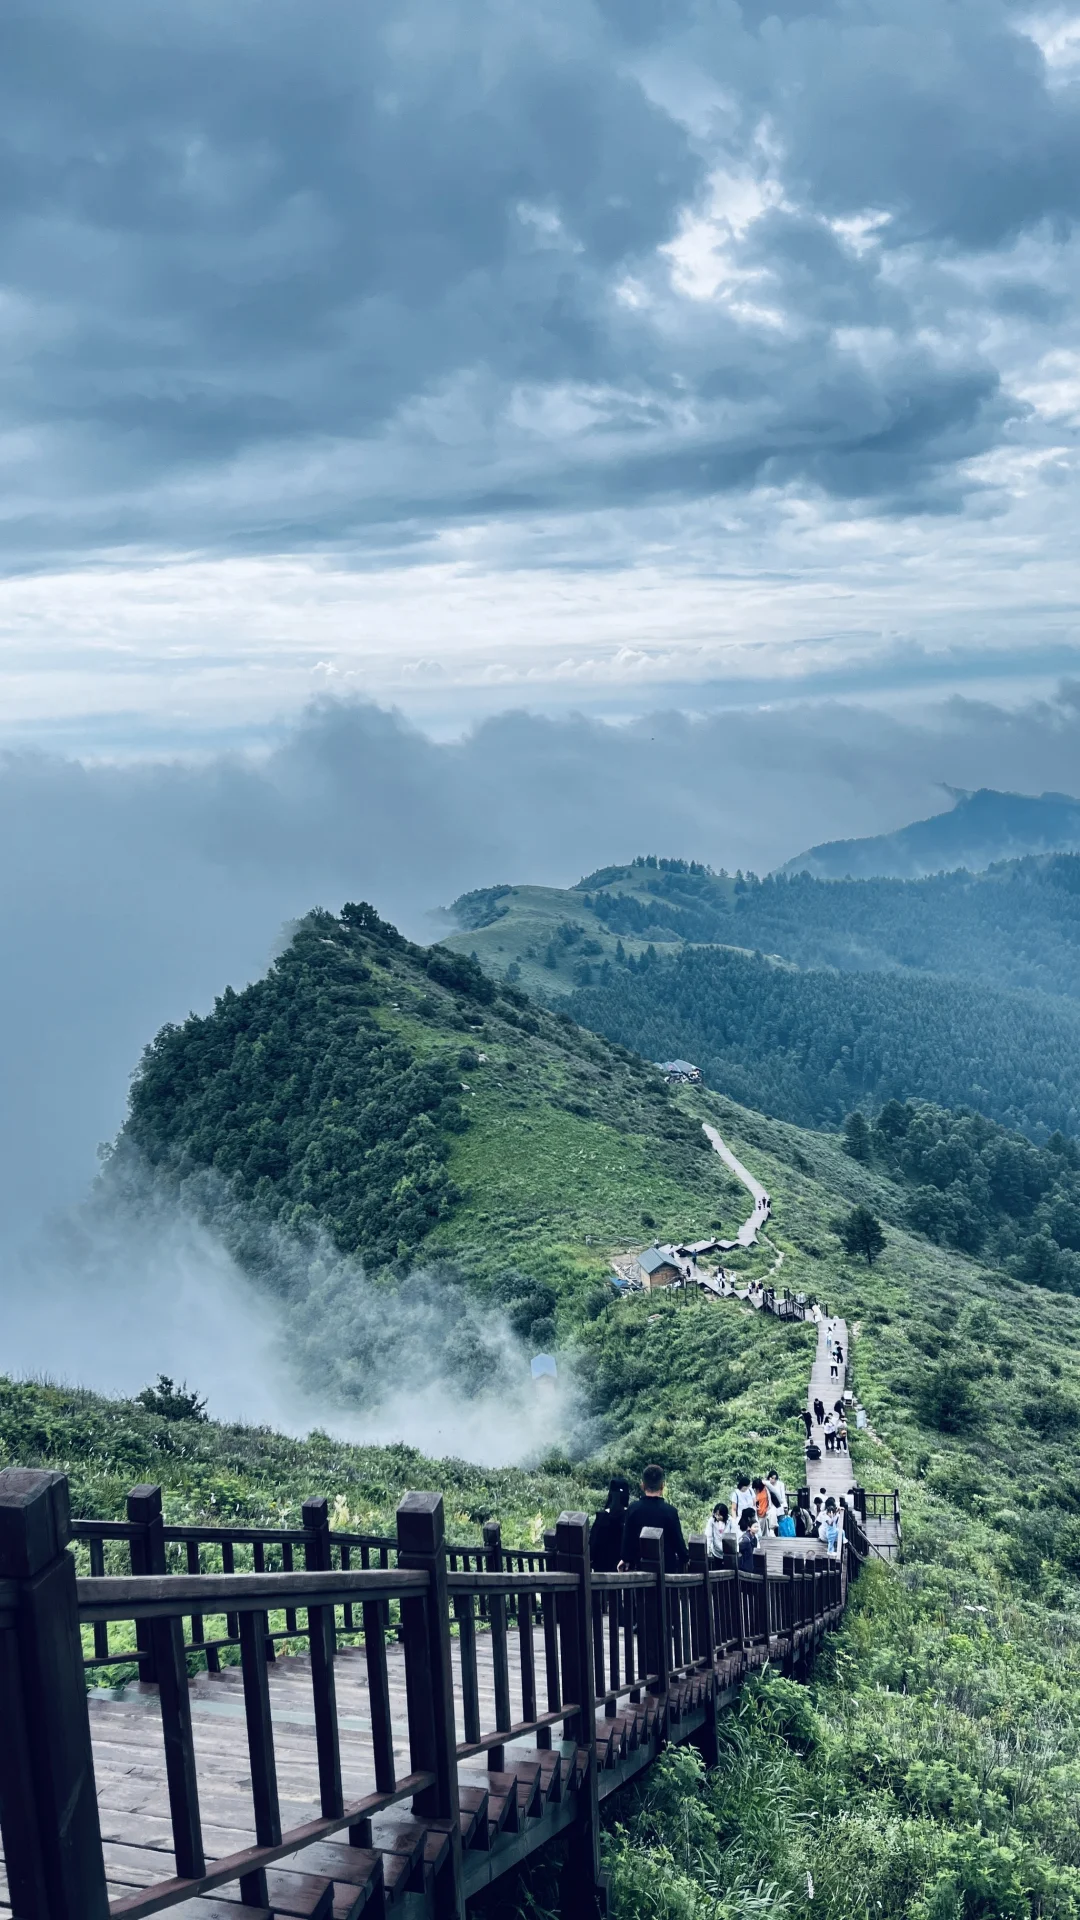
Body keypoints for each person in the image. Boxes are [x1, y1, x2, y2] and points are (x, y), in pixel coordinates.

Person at [619, 1464, 689, 1572]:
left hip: (640, 1573)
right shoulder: (670, 1511)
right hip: (666, 1574)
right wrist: (685, 1558)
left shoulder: (633, 1509)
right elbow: (678, 1544)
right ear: (662, 1486)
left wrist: (625, 1559)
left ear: (642, 1485)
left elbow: (627, 1542)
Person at [589, 1477, 631, 1572]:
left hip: (601, 1572)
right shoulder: (629, 1518)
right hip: (624, 1572)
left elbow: (592, 1544)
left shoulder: (601, 1518)